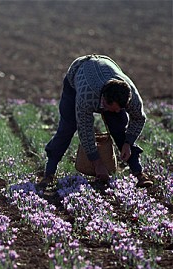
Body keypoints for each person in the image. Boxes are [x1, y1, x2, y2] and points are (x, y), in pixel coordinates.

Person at [38, 54, 153, 189]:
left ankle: (139, 173)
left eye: (119, 109)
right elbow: (85, 130)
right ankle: (49, 173)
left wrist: (128, 143)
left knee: (119, 127)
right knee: (68, 127)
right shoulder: (87, 96)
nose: (116, 111)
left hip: (105, 66)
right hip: (76, 78)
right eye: (112, 108)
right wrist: (97, 163)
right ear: (104, 100)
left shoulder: (130, 96)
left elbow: (139, 118)